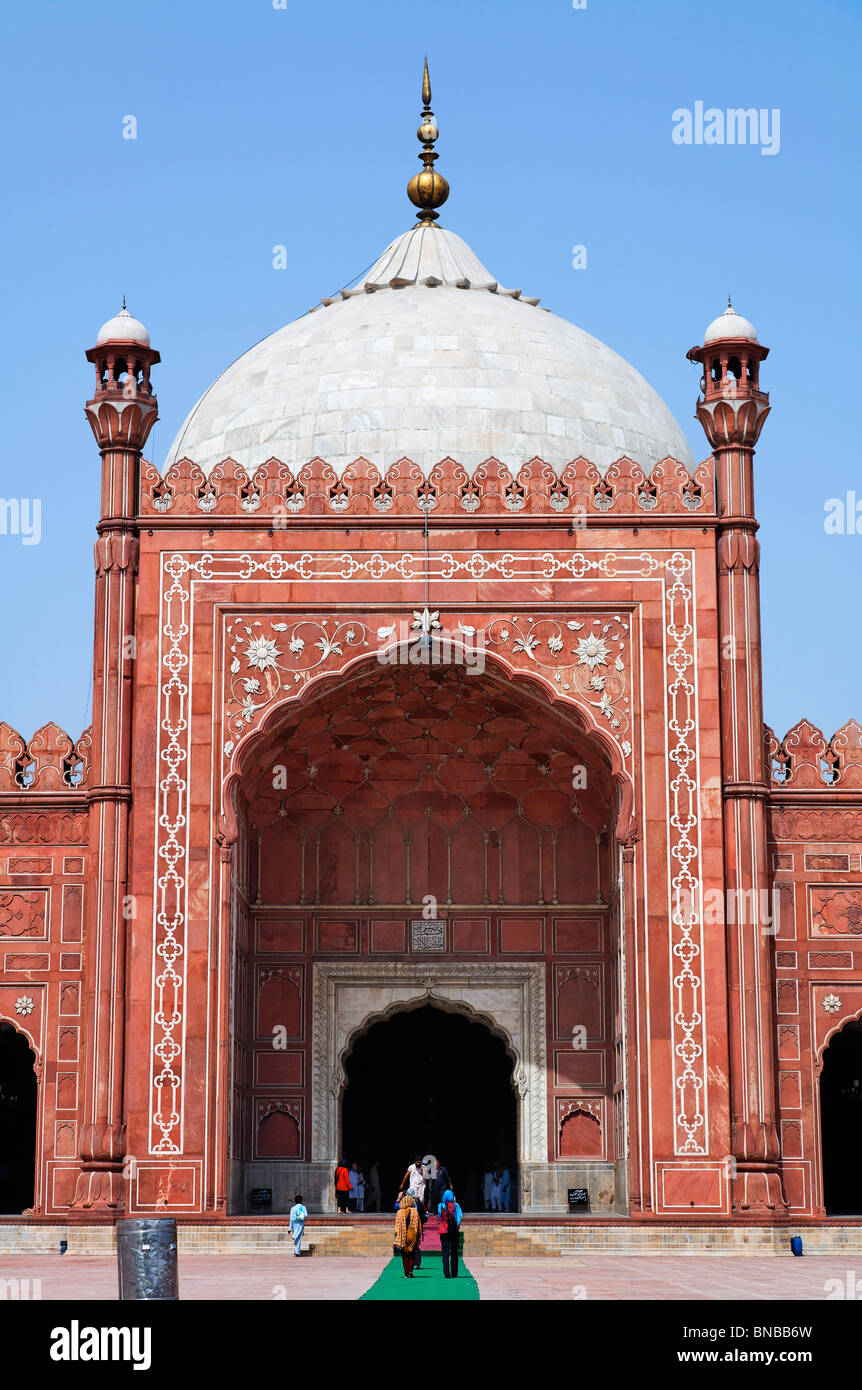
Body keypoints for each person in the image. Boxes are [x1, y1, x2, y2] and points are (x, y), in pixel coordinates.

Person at [394, 1193, 422, 1279]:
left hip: (403, 1236)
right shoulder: (415, 1212)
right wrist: (418, 1236)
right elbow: (419, 1226)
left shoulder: (399, 1212)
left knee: (405, 1255)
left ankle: (406, 1274)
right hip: (412, 1236)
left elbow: (397, 1227)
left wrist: (397, 1236)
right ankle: (411, 1271)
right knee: (412, 1254)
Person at [437, 1187, 463, 1279]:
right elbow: (459, 1218)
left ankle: (447, 1274)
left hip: (444, 1231)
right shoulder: (456, 1206)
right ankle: (454, 1273)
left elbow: (440, 1215)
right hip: (454, 1231)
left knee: (445, 1253)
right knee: (454, 1253)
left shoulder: (440, 1205)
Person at [289, 1193, 307, 1257]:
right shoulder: (302, 1207)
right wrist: (299, 1215)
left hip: (294, 1224)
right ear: (301, 1200)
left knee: (298, 1237)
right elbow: (305, 1215)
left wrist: (290, 1228)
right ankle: (297, 1252)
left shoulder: (293, 1208)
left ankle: (296, 1250)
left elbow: (291, 1218)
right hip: (300, 1224)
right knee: (299, 1238)